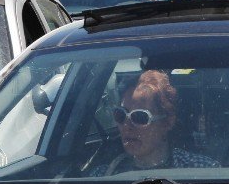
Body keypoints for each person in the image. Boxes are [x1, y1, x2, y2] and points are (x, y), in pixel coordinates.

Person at [90, 70, 219, 175]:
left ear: (167, 122)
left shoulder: (203, 171)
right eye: (120, 115)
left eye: (140, 117)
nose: (126, 126)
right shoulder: (100, 177)